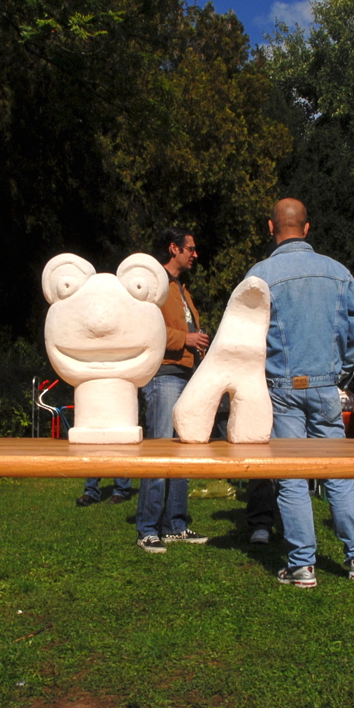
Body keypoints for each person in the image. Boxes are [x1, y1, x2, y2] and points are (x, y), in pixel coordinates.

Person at [245, 199, 354, 586]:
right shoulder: (337, 272)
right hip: (324, 385)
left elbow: (245, 334)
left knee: (291, 477)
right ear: (307, 228)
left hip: (281, 388)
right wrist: (340, 372)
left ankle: (303, 564)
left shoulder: (260, 274)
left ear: (271, 227)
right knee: (337, 473)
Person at [134, 227, 210, 553]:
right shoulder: (155, 285)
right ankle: (147, 529)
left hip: (186, 376)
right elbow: (143, 325)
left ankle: (175, 525)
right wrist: (186, 339)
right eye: (190, 249)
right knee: (159, 452)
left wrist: (200, 349)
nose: (195, 254)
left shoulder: (181, 288)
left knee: (182, 450)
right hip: (163, 376)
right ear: (173, 248)